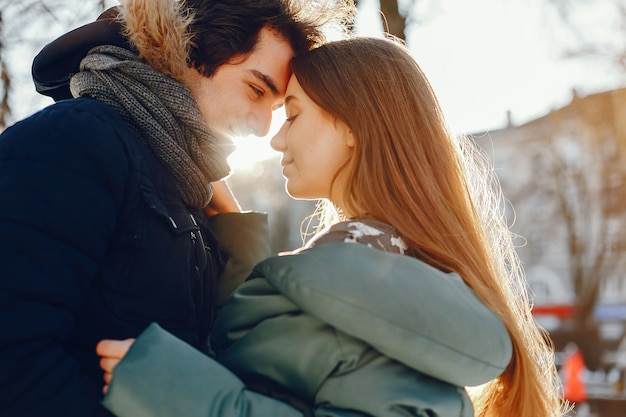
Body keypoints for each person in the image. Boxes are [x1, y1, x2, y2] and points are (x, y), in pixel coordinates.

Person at [96, 37, 565, 417]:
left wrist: (169, 387)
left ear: (354, 126)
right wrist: (236, 239)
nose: (276, 137)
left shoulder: (374, 288)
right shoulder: (379, 273)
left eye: (294, 114)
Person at [0, 0, 355, 416]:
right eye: (256, 90)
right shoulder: (75, 141)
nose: (263, 128)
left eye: (278, 111)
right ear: (188, 53)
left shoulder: (185, 190)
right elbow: (14, 358)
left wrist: (233, 226)